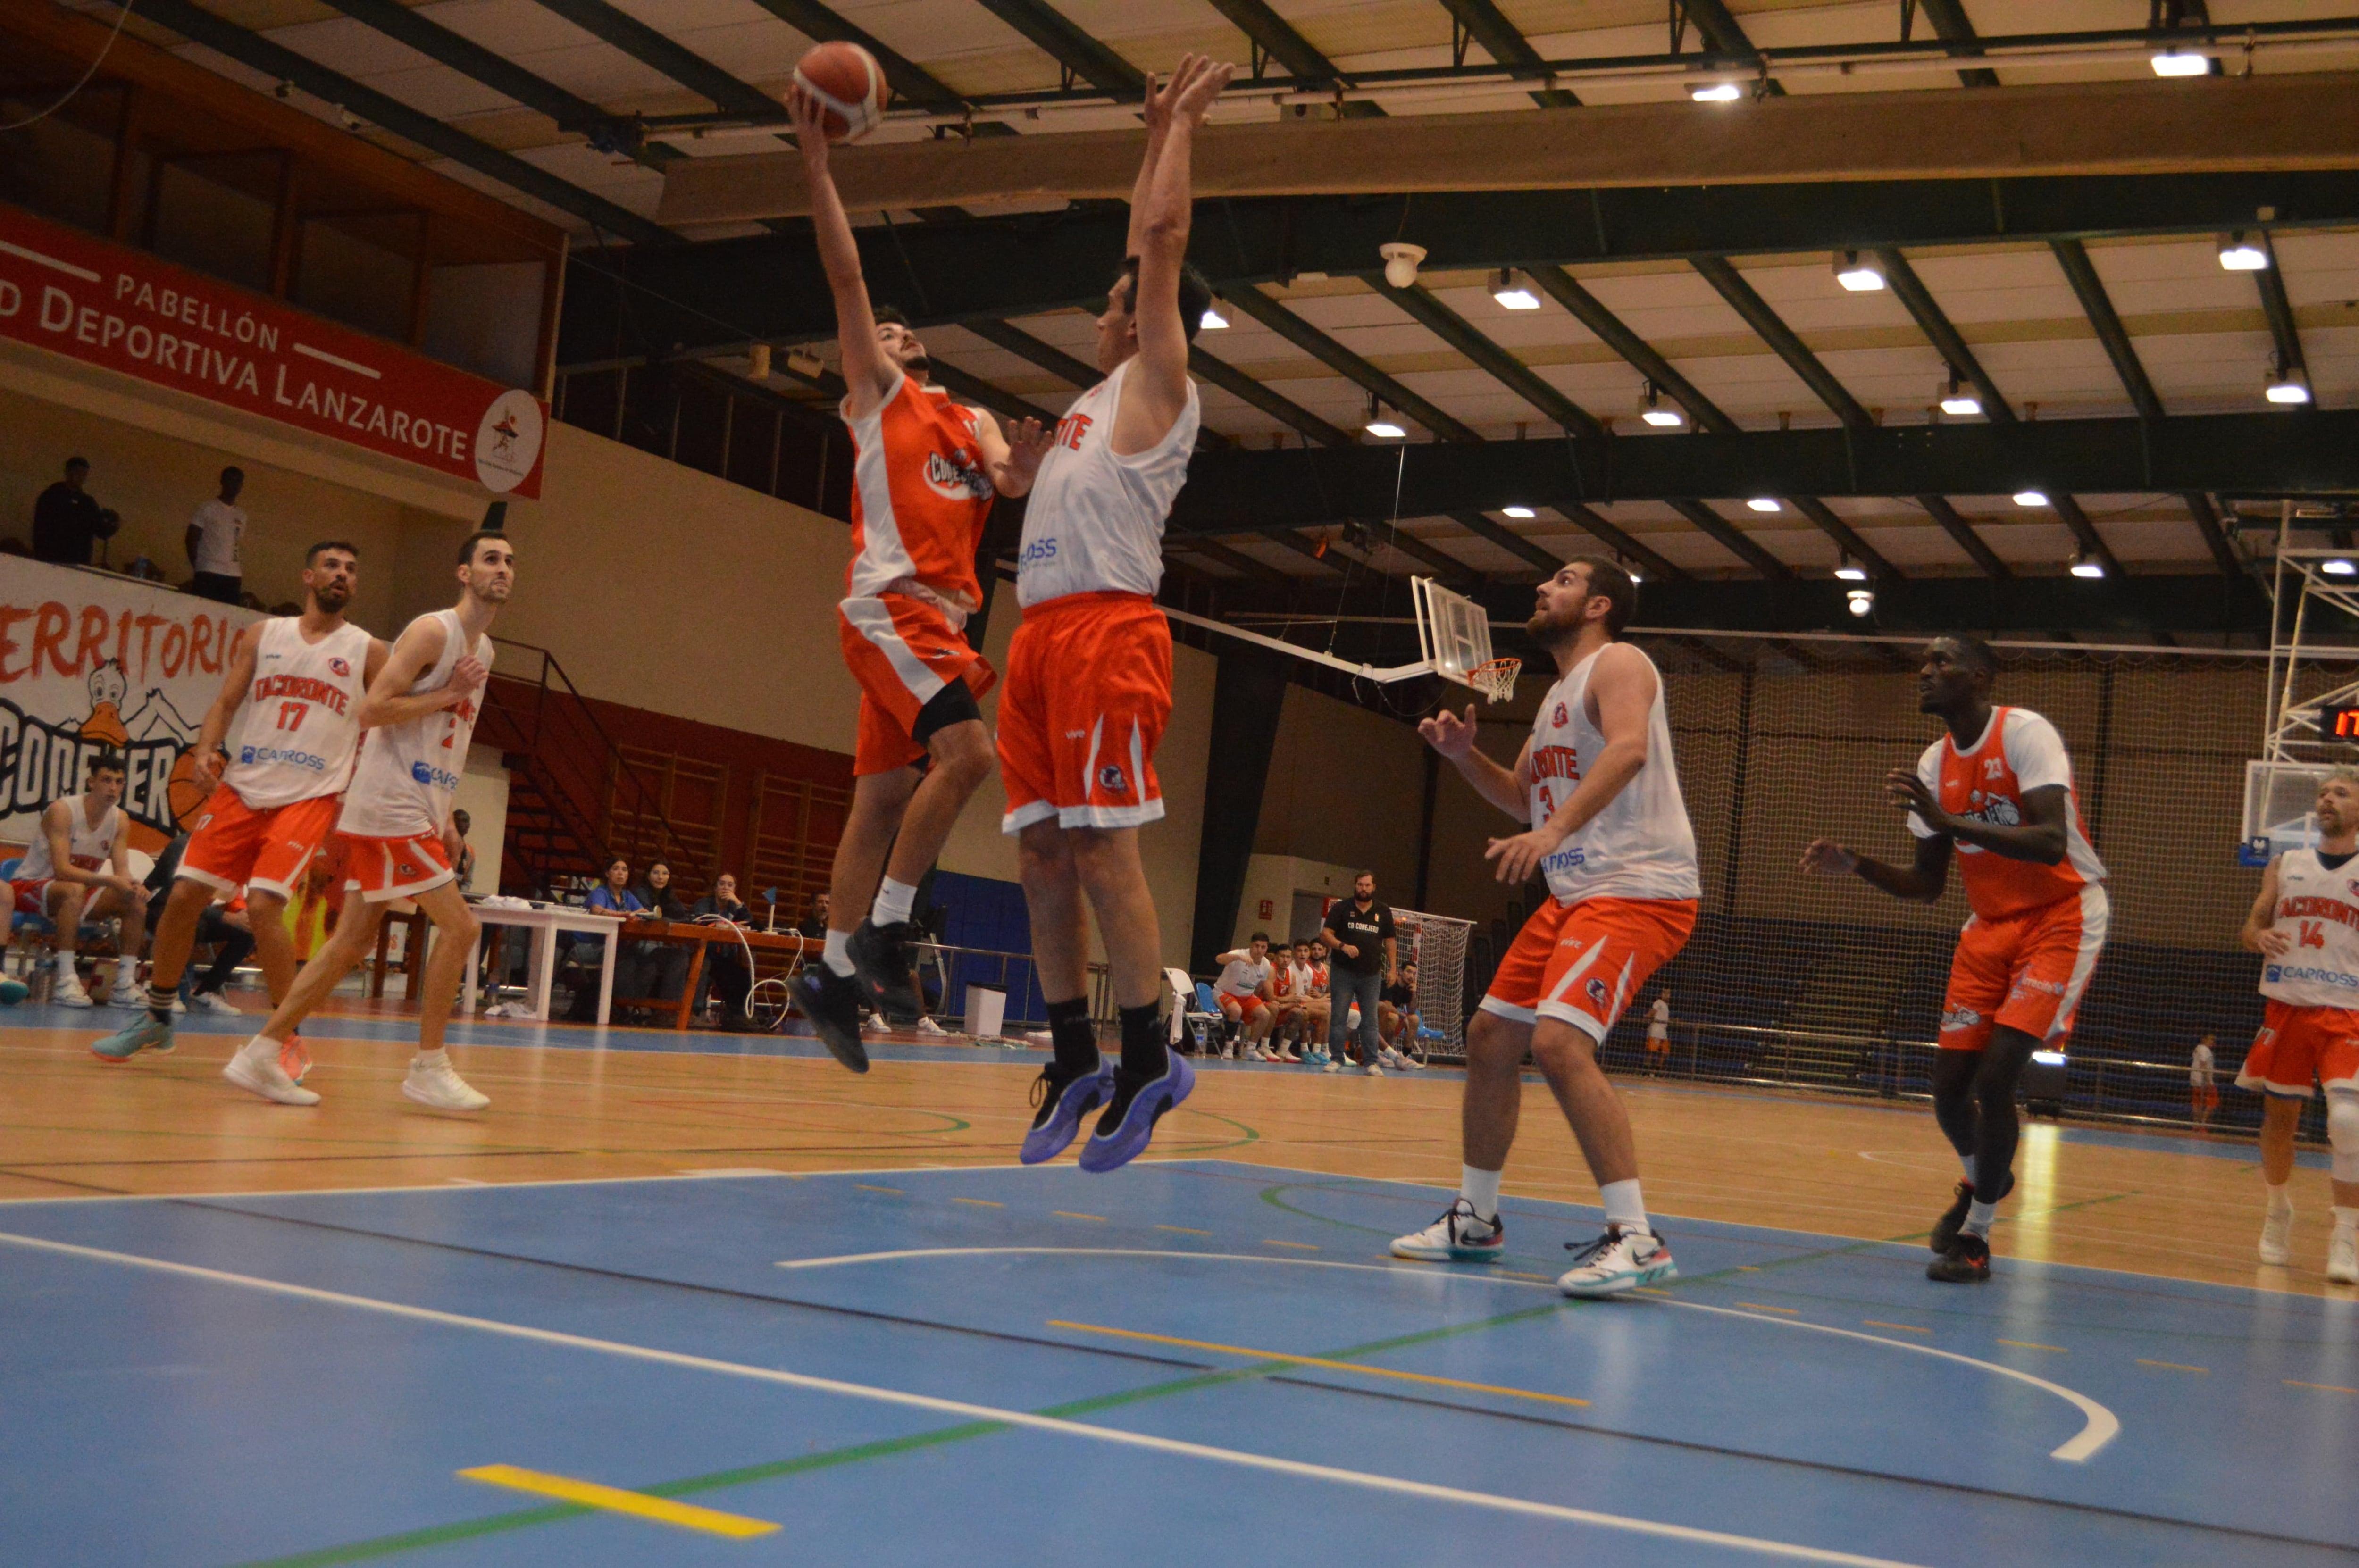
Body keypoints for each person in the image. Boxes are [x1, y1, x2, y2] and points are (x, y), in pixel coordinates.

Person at [784, 83, 1054, 1074]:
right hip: (889, 609)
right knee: (971, 758)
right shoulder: (876, 398)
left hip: (942, 621)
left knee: (878, 806)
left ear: (925, 346)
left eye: (898, 335)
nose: (883, 338)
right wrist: (818, 168)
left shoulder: (965, 414)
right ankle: (892, 931)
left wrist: (1018, 474)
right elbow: (845, 275)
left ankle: (826, 974)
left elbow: (1006, 477)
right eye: (873, 338)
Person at [1005, 55, 1233, 1174]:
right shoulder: (1083, 410)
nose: (1104, 313)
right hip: (1037, 636)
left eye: (1118, 301)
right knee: (1042, 853)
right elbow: (1137, 244)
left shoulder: (1158, 380)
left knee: (1102, 848)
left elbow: (1159, 244)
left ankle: (1150, 1050)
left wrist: (1176, 132)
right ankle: (1072, 1050)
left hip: (1105, 631)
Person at [1392, 559, 1698, 1298]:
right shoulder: (1555, 695)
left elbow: (1628, 750)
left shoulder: (1621, 662)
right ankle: (1476, 1219)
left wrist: (1553, 829)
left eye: (1561, 581)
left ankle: (1638, 1237)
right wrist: (1465, 760)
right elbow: (1523, 798)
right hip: (1574, 894)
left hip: (1636, 889)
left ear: (1597, 604)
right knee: (1491, 1037)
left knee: (1560, 1043)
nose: (1541, 588)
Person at [1801, 635, 2108, 1286]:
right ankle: (1985, 1177)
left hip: (2062, 914)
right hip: (1988, 927)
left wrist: (1952, 820)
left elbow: (2052, 841)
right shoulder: (1934, 762)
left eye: (1942, 663)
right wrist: (1855, 864)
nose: (1926, 671)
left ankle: (1977, 1236)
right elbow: (1927, 884)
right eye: (1925, 663)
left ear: (1980, 677)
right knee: (1947, 1095)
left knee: (1997, 1081)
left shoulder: (2024, 733)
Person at [218, 531, 513, 1109]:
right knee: (462, 928)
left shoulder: (488, 650)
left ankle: (262, 1050)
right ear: (463, 572)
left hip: (419, 807)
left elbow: (445, 740)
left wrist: (446, 819)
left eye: (509, 562)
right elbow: (372, 708)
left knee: (351, 941)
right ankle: (429, 1066)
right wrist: (447, 692)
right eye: (490, 560)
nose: (503, 569)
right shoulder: (434, 630)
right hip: (387, 804)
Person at [92, 542, 381, 1066]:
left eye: (352, 570)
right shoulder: (263, 635)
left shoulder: (367, 649)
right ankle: (158, 1017)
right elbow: (226, 702)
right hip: (243, 788)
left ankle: (286, 1037)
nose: (343, 575)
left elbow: (391, 708)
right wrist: (205, 752)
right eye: (333, 566)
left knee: (266, 908)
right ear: (308, 576)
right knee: (182, 897)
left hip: (308, 795)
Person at [2236, 769, 2359, 1284]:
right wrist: (2257, 938)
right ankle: (2277, 1208)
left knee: (2349, 1122)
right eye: (2322, 793)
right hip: (2286, 1007)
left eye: (2340, 793)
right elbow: (2250, 927)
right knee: (2278, 1125)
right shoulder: (2285, 864)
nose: (2325, 799)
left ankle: (2346, 1237)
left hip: (2344, 1010)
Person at [11, 753, 147, 1007]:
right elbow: (62, 871)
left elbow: (122, 872)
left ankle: (125, 984)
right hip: (32, 886)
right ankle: (66, 979)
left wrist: (133, 884)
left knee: (135, 901)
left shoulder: (121, 820)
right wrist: (112, 882)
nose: (113, 788)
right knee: (73, 889)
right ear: (91, 783)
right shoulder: (63, 811)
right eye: (107, 780)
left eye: (119, 782)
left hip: (77, 891)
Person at [136, 834, 256, 1014]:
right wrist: (225, 917)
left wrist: (240, 913)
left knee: (246, 934)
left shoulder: (228, 851)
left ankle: (206, 991)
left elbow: (232, 888)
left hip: (198, 913)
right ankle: (164, 989)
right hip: (161, 908)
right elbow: (178, 896)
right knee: (190, 923)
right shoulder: (183, 846)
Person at [1324, 873, 1397, 1076]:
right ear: (1355, 886)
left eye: (1367, 885)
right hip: (1343, 972)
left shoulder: (1383, 911)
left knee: (1370, 1019)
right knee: (1339, 1016)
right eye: (1360, 885)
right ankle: (1336, 1058)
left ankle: (1371, 1061)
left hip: (1371, 974)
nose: (1363, 889)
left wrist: (1392, 969)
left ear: (1374, 887)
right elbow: (1326, 934)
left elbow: (1390, 941)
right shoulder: (1341, 908)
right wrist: (1342, 946)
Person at [692, 872, 757, 1030]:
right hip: (704, 952)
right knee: (703, 968)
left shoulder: (734, 906)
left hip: (724, 956)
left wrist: (739, 903)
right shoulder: (704, 903)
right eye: (722, 884)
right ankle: (694, 1013)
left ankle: (738, 1015)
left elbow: (751, 923)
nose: (725, 888)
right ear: (715, 887)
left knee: (742, 973)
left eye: (730, 885)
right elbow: (701, 920)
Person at [32, 457, 118, 566]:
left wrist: (113, 525)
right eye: (78, 473)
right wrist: (42, 557)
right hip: (51, 560)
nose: (81, 477)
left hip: (79, 564)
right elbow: (40, 528)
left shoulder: (88, 503)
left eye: (84, 474)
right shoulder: (52, 496)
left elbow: (100, 530)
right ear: (68, 472)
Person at [186, 467, 247, 604]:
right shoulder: (208, 508)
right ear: (223, 482)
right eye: (231, 481)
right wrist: (199, 565)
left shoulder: (242, 516)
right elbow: (191, 538)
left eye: (238, 483)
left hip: (233, 575)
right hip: (209, 571)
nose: (235, 486)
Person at [1213, 933, 1280, 1060]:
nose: (1259, 950)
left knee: (1265, 1014)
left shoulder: (1266, 964)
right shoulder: (1239, 953)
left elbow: (1260, 984)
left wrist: (1254, 1001)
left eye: (1263, 947)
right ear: (1251, 945)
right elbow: (1219, 959)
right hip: (1224, 993)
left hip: (1247, 996)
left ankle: (1251, 1049)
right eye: (1257, 946)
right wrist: (1238, 958)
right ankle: (1228, 1046)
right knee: (1236, 1010)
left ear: (1267, 948)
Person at [2191, 1032, 2218, 1131]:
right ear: (2204, 1039)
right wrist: (2208, 1080)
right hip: (2202, 1080)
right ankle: (2202, 1123)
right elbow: (2203, 1064)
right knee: (2212, 1102)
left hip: (2195, 1079)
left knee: (2197, 1102)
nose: (2212, 1042)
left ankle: (2196, 1123)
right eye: (2210, 1040)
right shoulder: (2204, 1050)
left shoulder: (2198, 1049)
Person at [1644, 993, 1672, 1076]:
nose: (1666, 995)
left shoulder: (1666, 1006)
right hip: (1656, 1030)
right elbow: (1653, 1011)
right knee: (1652, 1052)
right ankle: (1646, 1072)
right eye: (1664, 993)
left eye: (1668, 993)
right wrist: (1647, 1016)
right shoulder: (1658, 1002)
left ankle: (1656, 1071)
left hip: (1663, 1031)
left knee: (1665, 1053)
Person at [451, 809, 477, 895]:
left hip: (458, 896)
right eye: (464, 821)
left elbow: (467, 881)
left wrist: (461, 896)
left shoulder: (470, 852)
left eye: (468, 822)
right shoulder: (441, 846)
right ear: (453, 823)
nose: (467, 825)